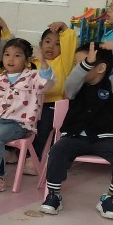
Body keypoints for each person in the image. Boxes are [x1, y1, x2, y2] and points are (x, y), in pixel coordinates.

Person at [41, 43, 113, 220]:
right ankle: (54, 195)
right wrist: (86, 64)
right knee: (57, 151)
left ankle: (110, 198)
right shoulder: (75, 87)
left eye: (83, 64)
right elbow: (71, 81)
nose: (78, 68)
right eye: (78, 64)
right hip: (74, 136)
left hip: (105, 139)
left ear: (101, 68)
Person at [0, 38, 54, 194]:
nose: (11, 59)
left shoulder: (33, 77)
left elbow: (48, 82)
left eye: (17, 55)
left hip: (19, 125)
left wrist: (43, 62)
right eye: (7, 54)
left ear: (27, 60)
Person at [35, 21, 79, 160]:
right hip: (31, 104)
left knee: (44, 129)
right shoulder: (32, 61)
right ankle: (21, 152)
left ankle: (37, 157)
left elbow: (70, 45)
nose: (51, 46)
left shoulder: (63, 62)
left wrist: (65, 29)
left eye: (57, 44)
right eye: (47, 42)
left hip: (53, 104)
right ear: (41, 44)